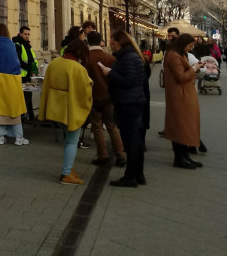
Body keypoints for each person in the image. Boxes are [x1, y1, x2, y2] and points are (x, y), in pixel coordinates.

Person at [39, 40, 93, 185]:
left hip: (54, 107)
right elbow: (84, 90)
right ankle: (66, 173)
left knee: (67, 139)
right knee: (72, 141)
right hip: (69, 109)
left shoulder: (55, 62)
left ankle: (68, 168)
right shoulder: (77, 68)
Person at [101, 30, 147, 187]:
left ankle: (131, 176)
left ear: (119, 42)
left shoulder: (127, 57)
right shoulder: (131, 56)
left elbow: (129, 81)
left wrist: (110, 73)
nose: (110, 44)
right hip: (133, 102)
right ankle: (138, 174)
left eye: (112, 41)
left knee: (131, 141)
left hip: (128, 103)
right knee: (135, 141)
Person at [85, 30, 126, 168]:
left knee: (97, 126)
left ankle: (102, 155)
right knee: (112, 125)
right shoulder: (110, 58)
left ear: (87, 41)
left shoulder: (86, 58)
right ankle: (120, 154)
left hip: (93, 96)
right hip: (109, 96)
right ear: (100, 41)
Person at [163, 34, 203, 169]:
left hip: (184, 94)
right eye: (189, 46)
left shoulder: (179, 54)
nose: (190, 49)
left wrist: (194, 68)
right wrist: (194, 68)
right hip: (179, 96)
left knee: (185, 125)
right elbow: (180, 77)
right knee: (180, 126)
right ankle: (179, 158)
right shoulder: (174, 56)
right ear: (183, 44)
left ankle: (184, 156)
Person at [12, 25, 38, 121]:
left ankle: (30, 116)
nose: (27, 36)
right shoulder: (17, 44)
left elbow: (32, 59)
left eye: (28, 34)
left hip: (27, 76)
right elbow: (18, 60)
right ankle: (22, 117)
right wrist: (29, 68)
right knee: (21, 98)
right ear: (20, 33)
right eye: (25, 34)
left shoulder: (27, 45)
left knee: (28, 96)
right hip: (20, 75)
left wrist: (34, 70)